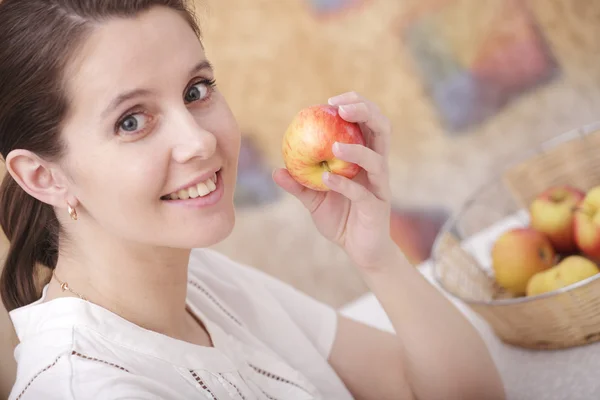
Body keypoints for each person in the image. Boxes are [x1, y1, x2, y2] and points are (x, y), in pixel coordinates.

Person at [0, 1, 505, 399]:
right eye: (132, 121)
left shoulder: (205, 283)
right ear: (44, 176)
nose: (199, 141)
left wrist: (377, 257)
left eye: (196, 90)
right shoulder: (89, 389)